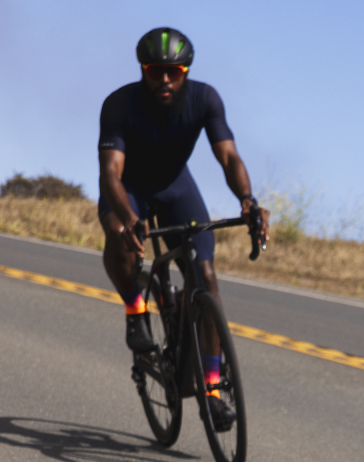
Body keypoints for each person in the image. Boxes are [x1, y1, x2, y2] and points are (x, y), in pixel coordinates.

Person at [98, 27, 269, 427]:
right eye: (156, 70)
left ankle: (210, 389)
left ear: (186, 70)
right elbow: (110, 173)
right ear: (144, 69)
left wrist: (247, 200)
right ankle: (135, 308)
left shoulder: (204, 99)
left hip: (176, 187)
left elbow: (228, 157)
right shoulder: (119, 104)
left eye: (174, 71)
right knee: (120, 236)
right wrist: (130, 219)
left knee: (205, 277)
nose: (165, 79)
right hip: (129, 190)